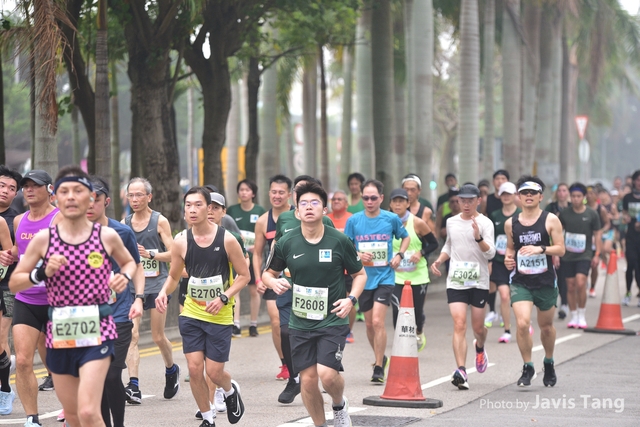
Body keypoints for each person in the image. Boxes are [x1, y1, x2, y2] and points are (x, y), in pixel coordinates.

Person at [10, 165, 137, 427]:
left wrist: (124, 277)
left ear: (90, 197)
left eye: (77, 191)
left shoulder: (106, 236)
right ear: (56, 197)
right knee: (74, 414)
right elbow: (14, 283)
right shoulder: (44, 239)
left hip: (97, 330)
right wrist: (41, 273)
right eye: (64, 191)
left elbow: (129, 263)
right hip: (60, 332)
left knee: (89, 411)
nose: (70, 197)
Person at [262, 182, 366, 427]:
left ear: (324, 210)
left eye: (314, 202)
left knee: (327, 375)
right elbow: (268, 273)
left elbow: (360, 274)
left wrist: (351, 299)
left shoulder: (339, 240)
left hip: (332, 318)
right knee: (308, 381)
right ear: (297, 211)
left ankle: (339, 404)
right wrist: (273, 282)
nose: (309, 207)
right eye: (304, 204)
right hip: (301, 321)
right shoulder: (286, 242)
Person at [155, 187, 249, 427]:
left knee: (214, 373)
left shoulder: (227, 239)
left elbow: (244, 275)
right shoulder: (181, 241)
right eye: (188, 205)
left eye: (198, 205)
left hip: (219, 314)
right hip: (192, 312)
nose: (192, 210)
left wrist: (224, 297)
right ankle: (208, 418)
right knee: (195, 369)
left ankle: (230, 390)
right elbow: (174, 276)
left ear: (209, 209)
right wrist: (163, 292)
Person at [86, 177, 145, 427]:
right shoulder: (69, 233)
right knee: (96, 378)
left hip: (118, 314)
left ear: (107, 201)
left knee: (111, 375)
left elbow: (137, 266)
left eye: (95, 199)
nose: (89, 204)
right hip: (86, 317)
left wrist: (139, 299)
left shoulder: (121, 232)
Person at [273, 175, 335, 404]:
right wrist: (269, 277)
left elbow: (336, 250)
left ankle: (324, 368)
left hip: (318, 290)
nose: (303, 198)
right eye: (298, 193)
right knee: (285, 331)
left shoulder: (325, 222)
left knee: (317, 333)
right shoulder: (284, 218)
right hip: (289, 286)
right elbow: (277, 246)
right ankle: (294, 378)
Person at [7, 170, 60, 427]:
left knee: (60, 362)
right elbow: (20, 251)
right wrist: (9, 255)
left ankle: (72, 408)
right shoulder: (19, 220)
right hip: (26, 299)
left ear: (49, 189)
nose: (29, 189)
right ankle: (32, 417)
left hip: (57, 301)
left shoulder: (60, 218)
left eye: (35, 185)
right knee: (23, 360)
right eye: (25, 185)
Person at [430, 184, 495, 390]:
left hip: (479, 281)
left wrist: (478, 238)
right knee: (459, 324)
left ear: (478, 201)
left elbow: (491, 253)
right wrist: (439, 260)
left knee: (478, 328)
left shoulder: (485, 223)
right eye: (462, 200)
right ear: (458, 201)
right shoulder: (451, 222)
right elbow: (449, 245)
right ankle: (461, 370)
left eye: (470, 201)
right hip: (457, 280)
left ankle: (480, 346)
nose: (466, 204)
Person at [344, 179, 409, 383]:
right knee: (369, 325)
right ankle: (380, 357)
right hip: (362, 279)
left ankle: (379, 367)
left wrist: (399, 255)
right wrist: (358, 255)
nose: (369, 202)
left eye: (373, 198)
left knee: (377, 321)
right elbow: (345, 247)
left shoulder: (391, 219)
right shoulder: (354, 221)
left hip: (385, 277)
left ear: (381, 198)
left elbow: (405, 237)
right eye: (366, 198)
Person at [504, 176, 565, 387]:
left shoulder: (550, 220)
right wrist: (508, 258)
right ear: (519, 197)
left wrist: (541, 249)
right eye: (524, 192)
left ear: (540, 197)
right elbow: (510, 248)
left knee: (546, 327)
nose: (528, 196)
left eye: (533, 193)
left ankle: (548, 362)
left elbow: (561, 249)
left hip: (545, 281)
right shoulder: (511, 223)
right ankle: (528, 366)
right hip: (521, 281)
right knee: (522, 323)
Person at [122, 177, 179, 404]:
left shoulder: (159, 221)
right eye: (131, 195)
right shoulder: (124, 223)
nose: (135, 199)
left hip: (157, 286)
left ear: (149, 197)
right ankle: (133, 386)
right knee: (132, 335)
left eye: (139, 195)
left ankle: (171, 369)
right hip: (133, 287)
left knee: (157, 336)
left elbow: (175, 254)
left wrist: (151, 254)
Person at [253, 175, 293, 380]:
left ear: (289, 194)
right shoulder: (263, 221)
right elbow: (258, 253)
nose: (277, 196)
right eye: (274, 192)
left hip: (297, 277)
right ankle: (285, 363)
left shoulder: (298, 216)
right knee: (276, 321)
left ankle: (301, 360)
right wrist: (259, 279)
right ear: (269, 193)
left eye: (281, 192)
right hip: (273, 277)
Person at [389, 188, 438, 352]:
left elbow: (434, 243)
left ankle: (419, 330)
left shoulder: (417, 222)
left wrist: (421, 252)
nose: (398, 205)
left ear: (408, 203)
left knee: (416, 311)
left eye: (401, 201)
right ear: (390, 204)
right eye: (395, 201)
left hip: (417, 275)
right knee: (397, 310)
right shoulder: (386, 223)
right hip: (396, 276)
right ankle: (401, 342)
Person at [558, 183, 602, 329]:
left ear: (584, 197)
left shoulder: (591, 214)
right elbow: (557, 232)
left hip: (585, 254)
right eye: (573, 196)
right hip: (568, 256)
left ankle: (582, 314)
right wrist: (556, 252)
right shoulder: (565, 214)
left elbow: (597, 234)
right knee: (570, 286)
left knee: (581, 282)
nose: (576, 199)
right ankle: (574, 315)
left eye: (578, 196)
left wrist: (597, 254)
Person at [226, 179, 266, 337]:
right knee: (235, 289)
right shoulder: (232, 210)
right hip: (237, 256)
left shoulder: (260, 210)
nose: (244, 193)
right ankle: (235, 324)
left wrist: (258, 247)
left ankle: (253, 324)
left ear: (253, 193)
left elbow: (264, 233)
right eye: (241, 190)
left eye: (247, 190)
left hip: (254, 256)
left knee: (253, 291)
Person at [485, 182, 521, 343]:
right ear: (499, 196)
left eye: (509, 194)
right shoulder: (494, 215)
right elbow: (490, 239)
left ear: (515, 195)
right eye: (503, 194)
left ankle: (525, 323)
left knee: (519, 297)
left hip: (518, 262)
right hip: (499, 261)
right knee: (504, 296)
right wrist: (489, 260)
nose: (506, 197)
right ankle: (507, 330)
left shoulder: (521, 214)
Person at [0, 166, 22, 414]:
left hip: (7, 285)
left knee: (0, 337)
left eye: (11, 188)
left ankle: (5, 390)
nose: (5, 191)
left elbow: (15, 256)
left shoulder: (17, 220)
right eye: (2, 185)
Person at [586, 186, 611, 298]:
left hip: (596, 240)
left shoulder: (601, 209)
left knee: (594, 265)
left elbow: (607, 223)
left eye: (592, 193)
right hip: (585, 240)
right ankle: (584, 281)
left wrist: (601, 231)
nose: (589, 196)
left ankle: (592, 287)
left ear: (596, 196)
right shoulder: (582, 207)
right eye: (587, 193)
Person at [621, 170, 640, 306]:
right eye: (638, 180)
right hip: (631, 236)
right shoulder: (627, 198)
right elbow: (624, 214)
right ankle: (628, 292)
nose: (639, 183)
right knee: (631, 264)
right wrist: (625, 218)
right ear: (633, 181)